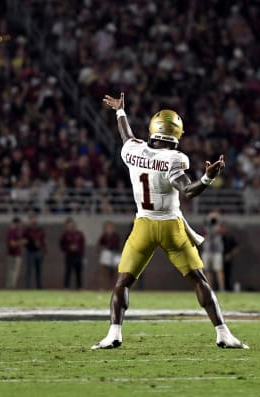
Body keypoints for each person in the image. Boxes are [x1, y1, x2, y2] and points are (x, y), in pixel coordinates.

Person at [92, 92, 247, 350]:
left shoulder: (132, 150)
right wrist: (208, 178)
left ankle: (114, 333)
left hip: (143, 225)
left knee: (123, 282)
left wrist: (120, 112)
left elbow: (126, 136)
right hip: (170, 226)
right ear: (176, 135)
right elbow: (188, 191)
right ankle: (222, 333)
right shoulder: (174, 159)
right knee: (199, 280)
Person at [201, 211, 225, 291]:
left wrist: (218, 221)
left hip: (217, 250)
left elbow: (222, 230)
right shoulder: (206, 224)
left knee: (219, 270)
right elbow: (205, 234)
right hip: (207, 250)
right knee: (207, 270)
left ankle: (221, 288)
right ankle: (210, 289)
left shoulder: (219, 223)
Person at [60, 217, 85, 289]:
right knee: (68, 272)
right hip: (69, 255)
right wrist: (68, 248)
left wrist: (80, 251)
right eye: (68, 225)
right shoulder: (64, 235)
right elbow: (62, 246)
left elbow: (82, 245)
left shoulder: (79, 234)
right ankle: (66, 287)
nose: (70, 226)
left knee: (78, 272)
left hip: (78, 255)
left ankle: (79, 287)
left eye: (71, 224)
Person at [23, 211, 46, 289]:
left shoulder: (40, 230)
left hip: (38, 252)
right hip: (30, 252)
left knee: (39, 271)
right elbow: (24, 241)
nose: (33, 220)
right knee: (28, 271)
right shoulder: (26, 230)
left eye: (34, 218)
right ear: (29, 220)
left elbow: (43, 241)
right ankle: (27, 287)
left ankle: (40, 287)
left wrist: (43, 250)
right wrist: (29, 243)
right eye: (31, 218)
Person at [98, 221, 122, 290]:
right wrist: (103, 248)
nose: (109, 229)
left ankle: (116, 286)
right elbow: (100, 246)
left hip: (115, 253)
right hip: (106, 253)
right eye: (108, 228)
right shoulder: (103, 236)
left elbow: (118, 246)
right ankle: (103, 286)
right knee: (105, 270)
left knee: (116, 270)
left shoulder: (116, 236)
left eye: (111, 227)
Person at [220, 222, 240, 292]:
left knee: (227, 274)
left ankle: (226, 288)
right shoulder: (217, 237)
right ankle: (221, 288)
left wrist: (230, 255)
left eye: (224, 228)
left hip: (227, 258)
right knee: (219, 274)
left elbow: (236, 248)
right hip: (219, 258)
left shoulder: (229, 237)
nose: (222, 230)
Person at [6, 217, 26, 288]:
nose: (20, 225)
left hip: (15, 254)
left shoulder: (16, 231)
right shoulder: (12, 231)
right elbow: (12, 244)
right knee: (13, 272)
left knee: (12, 272)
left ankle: (10, 287)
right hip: (14, 255)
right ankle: (11, 287)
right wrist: (21, 242)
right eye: (19, 223)